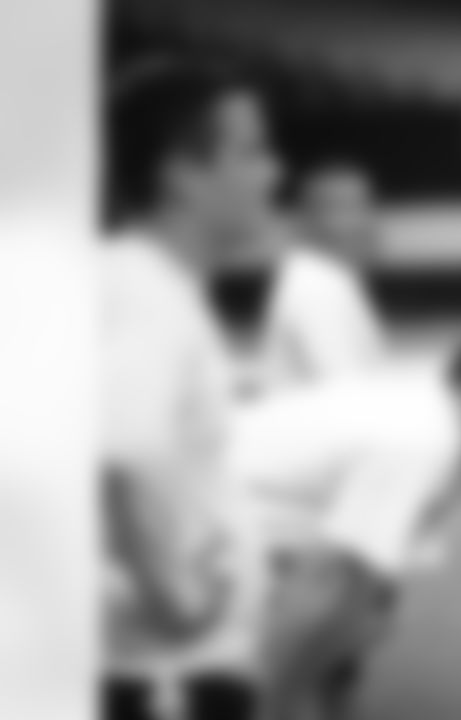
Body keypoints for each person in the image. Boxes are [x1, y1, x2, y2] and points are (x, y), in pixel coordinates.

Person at [230, 314, 461, 720]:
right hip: (209, 524)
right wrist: (278, 706)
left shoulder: (445, 416)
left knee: (366, 609)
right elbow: (322, 589)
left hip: (242, 510)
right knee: (342, 598)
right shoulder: (424, 439)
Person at [101, 57, 281, 720]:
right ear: (181, 173)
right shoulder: (141, 293)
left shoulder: (151, 286)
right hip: (159, 676)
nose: (274, 172)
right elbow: (111, 457)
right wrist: (172, 599)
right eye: (252, 152)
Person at [254, 161, 384, 393]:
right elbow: (345, 391)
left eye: (364, 205)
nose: (361, 221)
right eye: (342, 208)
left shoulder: (328, 279)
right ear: (305, 221)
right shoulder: (316, 287)